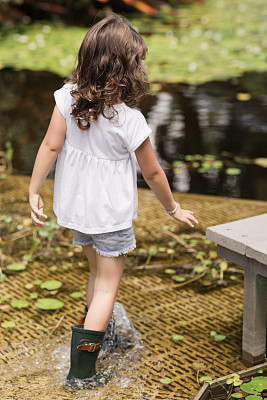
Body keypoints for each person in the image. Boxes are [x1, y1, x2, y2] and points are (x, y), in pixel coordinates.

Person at [29, 14, 198, 387]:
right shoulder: (130, 119)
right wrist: (173, 208)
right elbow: (153, 173)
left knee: (96, 274)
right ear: (128, 69)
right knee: (107, 287)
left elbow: (50, 145)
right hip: (110, 215)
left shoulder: (66, 98)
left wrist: (34, 190)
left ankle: (96, 336)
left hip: (77, 210)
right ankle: (81, 373)